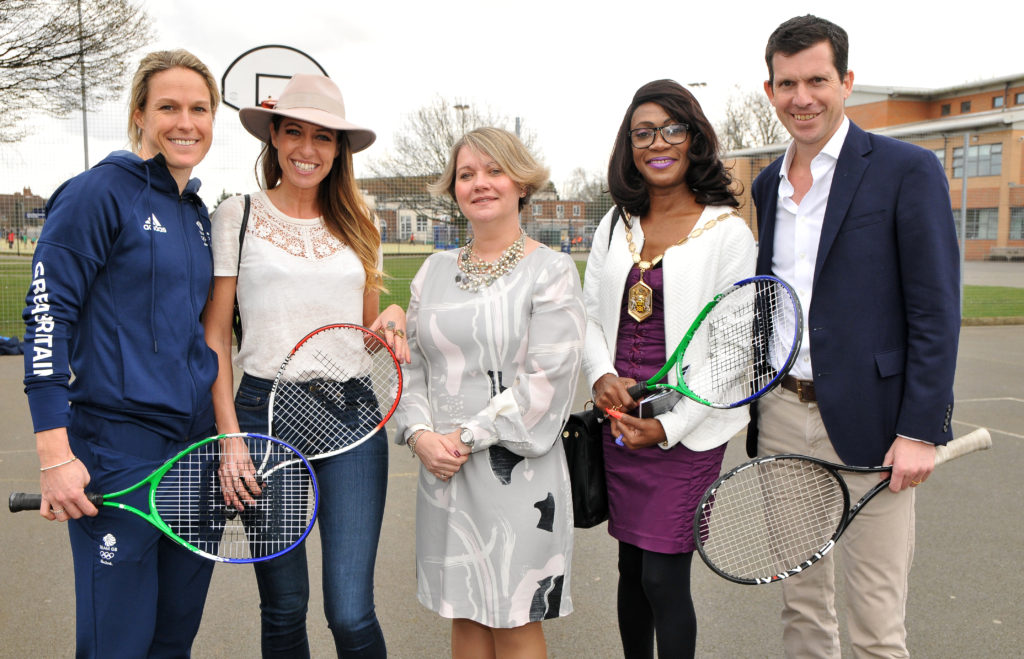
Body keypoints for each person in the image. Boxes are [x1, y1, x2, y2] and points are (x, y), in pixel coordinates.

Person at [747, 15, 961, 658]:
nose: (802, 98)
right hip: (783, 414)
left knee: (875, 622)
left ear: (846, 82)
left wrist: (920, 429)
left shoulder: (906, 169)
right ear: (770, 90)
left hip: (877, 422)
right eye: (788, 84)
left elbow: (935, 311)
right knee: (802, 610)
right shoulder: (766, 184)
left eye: (817, 80)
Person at [22, 49, 221, 657]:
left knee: (172, 642)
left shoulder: (198, 214)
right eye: (168, 107)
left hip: (195, 456)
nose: (185, 122)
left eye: (199, 109)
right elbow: (47, 317)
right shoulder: (97, 193)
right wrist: (55, 455)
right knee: (118, 646)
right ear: (139, 115)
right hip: (118, 455)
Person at [203, 74, 408, 657]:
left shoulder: (360, 222)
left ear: (339, 149)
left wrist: (392, 314)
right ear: (273, 136)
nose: (307, 149)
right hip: (263, 414)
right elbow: (215, 336)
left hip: (351, 416)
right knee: (285, 607)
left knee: (351, 613)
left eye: (323, 137)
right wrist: (230, 437)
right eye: (294, 132)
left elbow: (366, 334)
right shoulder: (237, 215)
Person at [395, 126, 585, 658]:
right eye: (466, 174)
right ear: (453, 188)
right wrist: (419, 434)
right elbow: (410, 366)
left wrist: (461, 438)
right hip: (443, 470)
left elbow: (546, 384)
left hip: (516, 473)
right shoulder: (432, 271)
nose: (480, 183)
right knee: (464, 612)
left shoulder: (551, 271)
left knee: (515, 617)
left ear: (521, 183)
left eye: (494, 171)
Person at [581, 79, 756, 658]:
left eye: (672, 129)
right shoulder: (616, 224)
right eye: (643, 133)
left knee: (663, 578)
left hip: (689, 429)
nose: (658, 143)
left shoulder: (728, 233)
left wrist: (668, 426)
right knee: (632, 570)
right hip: (621, 422)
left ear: (694, 138)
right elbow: (588, 315)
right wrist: (601, 375)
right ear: (628, 146)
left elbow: (732, 352)